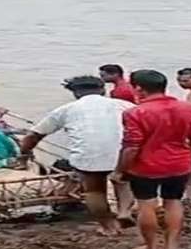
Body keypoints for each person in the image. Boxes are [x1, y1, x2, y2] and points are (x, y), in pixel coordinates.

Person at [112, 70, 191, 249]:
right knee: (173, 202)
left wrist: (120, 170)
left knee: (147, 205)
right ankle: (171, 247)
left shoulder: (135, 113)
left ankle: (150, 248)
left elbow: (132, 147)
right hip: (179, 165)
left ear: (139, 89)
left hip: (145, 167)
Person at [19, 76, 135, 235]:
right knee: (123, 181)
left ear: (75, 93)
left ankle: (108, 227)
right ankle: (124, 211)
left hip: (88, 157)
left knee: (95, 191)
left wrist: (24, 154)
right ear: (103, 90)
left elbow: (33, 135)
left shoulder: (65, 110)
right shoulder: (125, 105)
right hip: (123, 153)